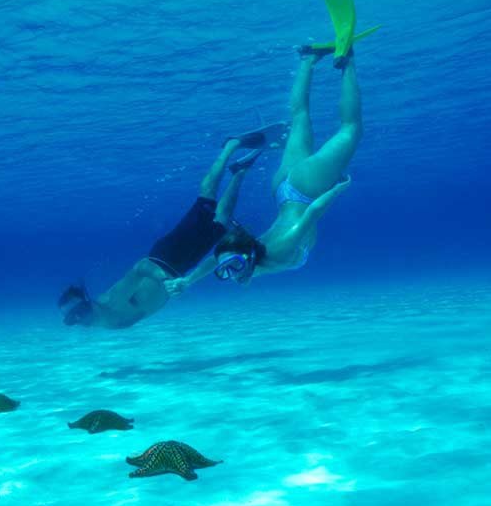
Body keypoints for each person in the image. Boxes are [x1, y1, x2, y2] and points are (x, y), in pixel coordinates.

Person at [59, 123, 287, 328]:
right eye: (72, 319)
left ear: (89, 301)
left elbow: (140, 267)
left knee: (207, 199)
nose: (79, 319)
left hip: (167, 257)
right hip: (179, 270)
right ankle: (240, 171)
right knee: (222, 222)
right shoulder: (106, 324)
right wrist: (174, 283)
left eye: (80, 311)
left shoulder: (111, 301)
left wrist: (166, 281)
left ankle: (230, 146)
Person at [207, 47, 361, 286]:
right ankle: (307, 59)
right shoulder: (252, 262)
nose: (233, 276)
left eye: (234, 266)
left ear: (248, 256)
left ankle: (347, 60)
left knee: (350, 129)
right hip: (282, 190)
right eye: (225, 272)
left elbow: (313, 212)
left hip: (307, 190)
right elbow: (214, 261)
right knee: (299, 118)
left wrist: (338, 189)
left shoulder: (280, 249)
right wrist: (187, 280)